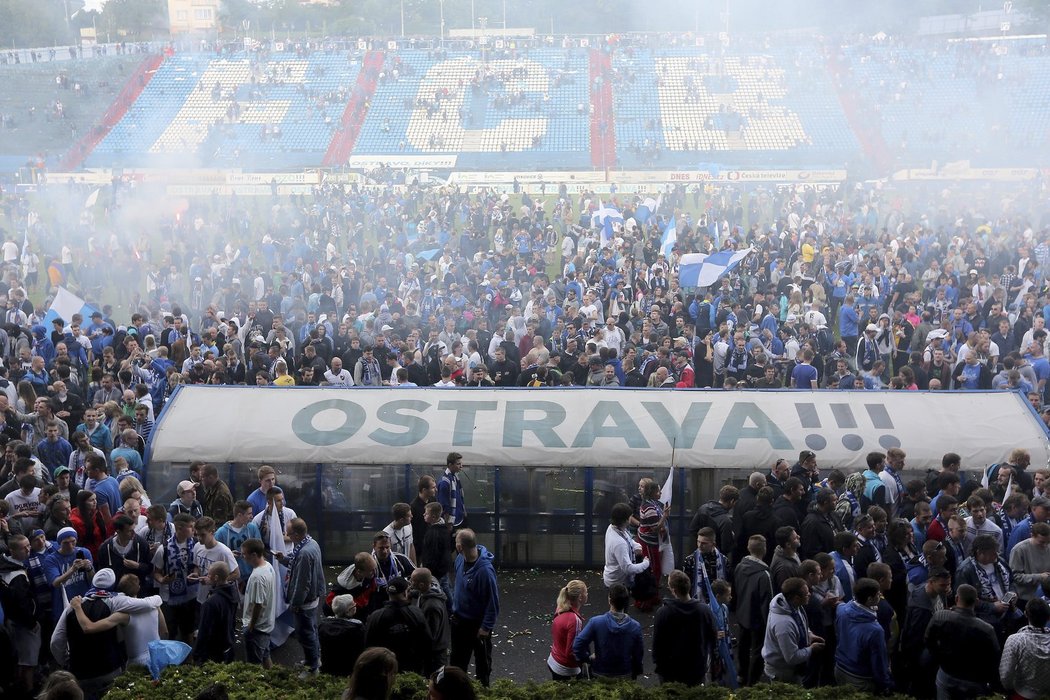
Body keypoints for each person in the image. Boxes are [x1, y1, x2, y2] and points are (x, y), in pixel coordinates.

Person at [925, 583, 1001, 699]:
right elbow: (994, 659)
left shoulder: (940, 617)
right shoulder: (987, 629)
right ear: (976, 601)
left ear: (956, 598)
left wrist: (940, 657)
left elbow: (928, 640)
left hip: (947, 673)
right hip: (974, 680)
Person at [450, 528, 499, 687]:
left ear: (460, 547)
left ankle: (483, 691)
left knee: (482, 664)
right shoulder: (459, 559)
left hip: (477, 625)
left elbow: (493, 602)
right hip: (459, 621)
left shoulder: (485, 571)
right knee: (457, 662)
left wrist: (485, 627)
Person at [279, 517, 326, 677]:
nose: (287, 535)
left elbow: (302, 583)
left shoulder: (305, 553)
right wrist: (283, 559)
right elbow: (294, 561)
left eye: (289, 533)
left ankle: (312, 668)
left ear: (297, 534)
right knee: (311, 630)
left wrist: (295, 603)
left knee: (305, 634)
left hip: (304, 602)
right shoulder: (310, 543)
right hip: (313, 598)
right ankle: (313, 659)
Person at [652, 569, 716, 684]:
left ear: (674, 590)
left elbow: (657, 643)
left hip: (670, 671)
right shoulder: (704, 610)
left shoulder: (663, 613)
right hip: (696, 668)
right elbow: (712, 638)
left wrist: (659, 666)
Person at [571, 583, 644, 679]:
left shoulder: (596, 622)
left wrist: (587, 658)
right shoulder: (635, 626)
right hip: (624, 673)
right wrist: (637, 669)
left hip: (600, 672)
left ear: (610, 600)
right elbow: (638, 653)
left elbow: (578, 644)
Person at [833, 577, 893, 693]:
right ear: (870, 599)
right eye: (878, 594)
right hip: (860, 678)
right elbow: (878, 663)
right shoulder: (875, 630)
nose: (880, 595)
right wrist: (886, 684)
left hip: (840, 669)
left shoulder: (841, 610)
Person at [762, 576, 824, 685]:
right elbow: (792, 658)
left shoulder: (791, 605)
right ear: (796, 598)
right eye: (806, 594)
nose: (809, 594)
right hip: (782, 673)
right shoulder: (784, 625)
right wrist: (811, 649)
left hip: (789, 669)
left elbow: (799, 622)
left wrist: (809, 634)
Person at [0, 534, 39, 694]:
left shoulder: (4, 566)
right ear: (12, 550)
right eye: (24, 548)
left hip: (10, 621)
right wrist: (32, 623)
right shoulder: (17, 576)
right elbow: (22, 604)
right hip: (23, 625)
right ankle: (29, 690)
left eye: (29, 545)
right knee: (28, 661)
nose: (28, 549)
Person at [151, 513, 199, 643]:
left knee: (188, 630)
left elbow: (197, 565)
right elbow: (156, 572)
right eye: (191, 527)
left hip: (190, 594)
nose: (194, 530)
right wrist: (162, 580)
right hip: (169, 597)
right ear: (179, 528)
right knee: (169, 631)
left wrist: (195, 572)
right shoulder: (164, 549)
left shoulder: (195, 544)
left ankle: (188, 660)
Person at [734, 534, 773, 685]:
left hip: (742, 613)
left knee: (743, 646)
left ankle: (742, 673)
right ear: (764, 549)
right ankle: (753, 680)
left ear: (748, 548)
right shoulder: (764, 575)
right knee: (758, 650)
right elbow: (767, 602)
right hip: (758, 618)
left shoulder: (739, 567)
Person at [1000, 598, 1050, 700]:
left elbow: (1005, 675)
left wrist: (1010, 688)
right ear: (1048, 618)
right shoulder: (1016, 640)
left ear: (1025, 614)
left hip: (1022, 694)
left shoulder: (1015, 640)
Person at [193, 561, 238, 664]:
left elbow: (204, 631)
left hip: (213, 651)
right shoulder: (233, 594)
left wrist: (197, 654)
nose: (206, 577)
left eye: (209, 575)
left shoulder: (210, 603)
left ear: (216, 578)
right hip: (228, 644)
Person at [241, 537, 276, 669]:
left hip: (257, 627)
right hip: (266, 624)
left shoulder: (257, 577)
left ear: (254, 555)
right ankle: (272, 680)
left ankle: (259, 687)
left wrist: (251, 626)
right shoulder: (268, 566)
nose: (243, 557)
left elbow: (258, 604)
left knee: (254, 665)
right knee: (266, 655)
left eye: (245, 554)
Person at [411, 567, 450, 675]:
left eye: (413, 582)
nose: (410, 584)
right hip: (438, 649)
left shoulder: (431, 607)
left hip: (435, 654)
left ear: (422, 585)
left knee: (435, 680)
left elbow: (429, 634)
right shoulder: (432, 589)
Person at [546, 578, 587, 680]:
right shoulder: (575, 620)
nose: (587, 594)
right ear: (580, 597)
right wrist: (588, 658)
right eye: (586, 592)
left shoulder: (560, 608)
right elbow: (572, 651)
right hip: (565, 669)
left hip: (553, 660)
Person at [603, 502, 649, 589]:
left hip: (616, 579)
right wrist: (646, 563)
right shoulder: (619, 543)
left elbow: (628, 539)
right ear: (625, 520)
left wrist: (637, 546)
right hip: (617, 584)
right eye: (630, 516)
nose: (632, 518)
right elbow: (628, 568)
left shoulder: (613, 527)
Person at [319, 594, 365, 676]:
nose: (355, 606)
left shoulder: (323, 625)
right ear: (348, 611)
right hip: (348, 669)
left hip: (328, 666)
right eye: (353, 605)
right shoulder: (357, 629)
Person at [682, 527, 729, 605]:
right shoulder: (690, 560)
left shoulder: (724, 561)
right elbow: (685, 586)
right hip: (696, 604)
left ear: (713, 544)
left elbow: (727, 585)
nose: (699, 545)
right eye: (698, 542)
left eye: (704, 543)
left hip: (717, 605)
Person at [1009, 521, 1050, 605]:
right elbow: (1015, 577)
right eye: (1042, 542)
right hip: (1026, 599)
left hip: (1046, 597)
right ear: (1032, 536)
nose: (1045, 545)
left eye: (1048, 542)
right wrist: (1039, 577)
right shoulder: (1019, 550)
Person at [437, 452, 465, 529]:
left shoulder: (455, 478)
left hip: (459, 517)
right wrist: (448, 522)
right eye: (458, 464)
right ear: (450, 464)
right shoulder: (445, 482)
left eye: (461, 464)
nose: (461, 466)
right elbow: (444, 504)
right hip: (451, 521)